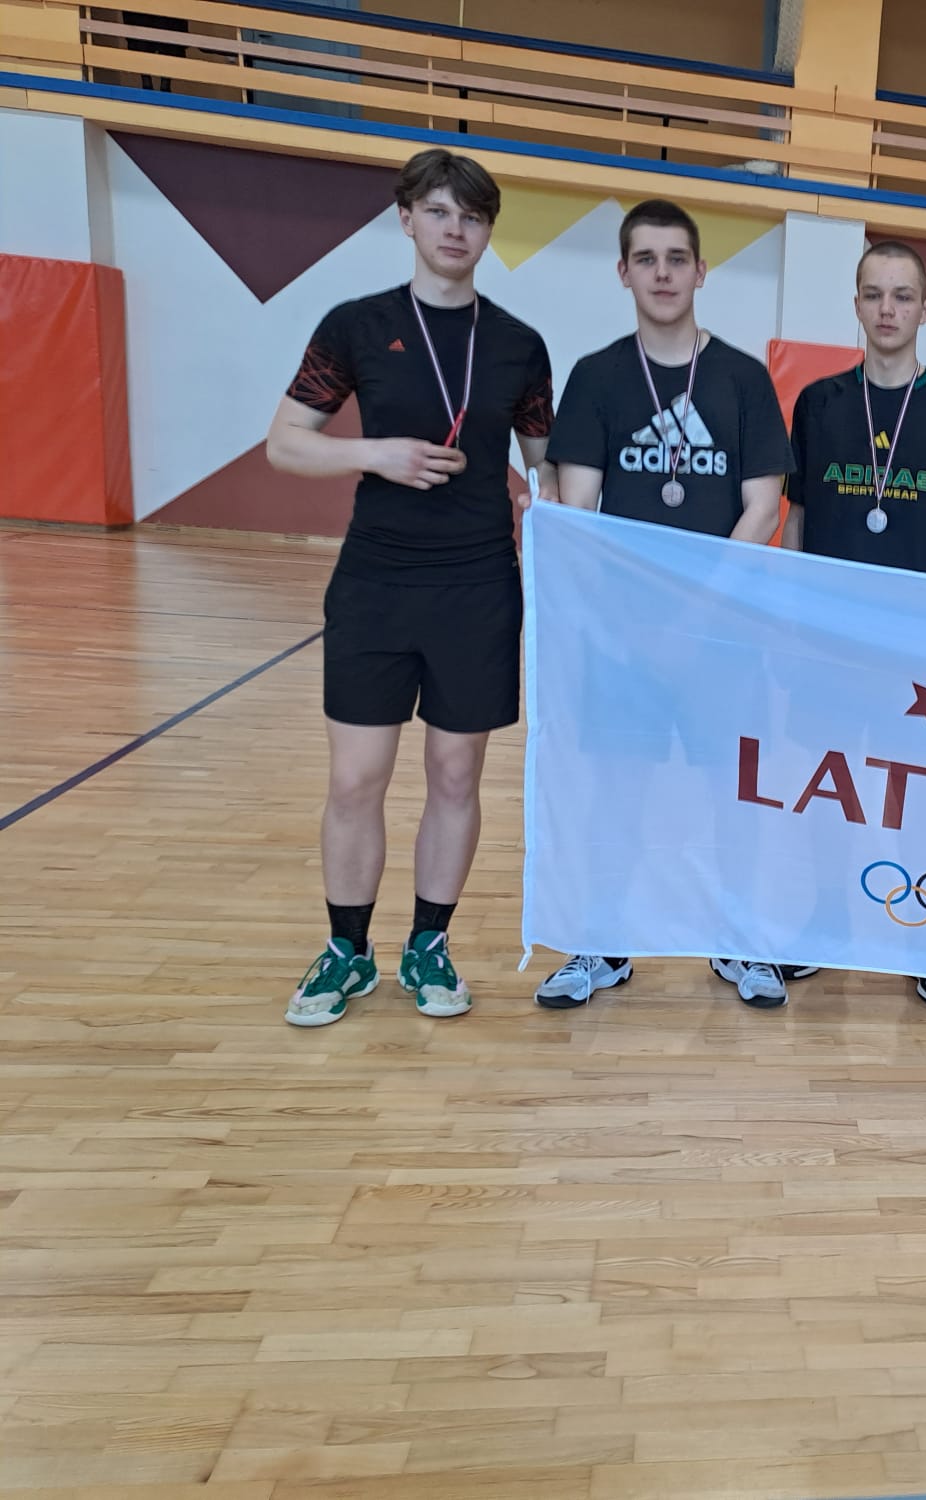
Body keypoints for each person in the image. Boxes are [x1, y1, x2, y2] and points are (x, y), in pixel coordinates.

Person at [267, 148, 554, 1027]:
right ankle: (347, 952)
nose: (454, 229)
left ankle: (429, 944)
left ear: (488, 230)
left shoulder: (519, 345)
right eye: (437, 211)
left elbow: (547, 467)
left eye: (471, 216)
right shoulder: (357, 325)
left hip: (478, 584)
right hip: (376, 581)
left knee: (455, 773)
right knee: (357, 777)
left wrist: (554, 508)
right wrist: (375, 453)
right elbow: (286, 442)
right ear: (406, 220)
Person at [532, 198, 802, 1012]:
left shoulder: (743, 378)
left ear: (701, 272)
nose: (662, 273)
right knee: (616, 792)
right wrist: (630, 620)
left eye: (676, 258)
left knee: (734, 796)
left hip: (722, 640)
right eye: (645, 259)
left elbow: (763, 506)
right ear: (623, 272)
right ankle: (601, 944)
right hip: (625, 639)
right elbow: (580, 507)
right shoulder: (597, 376)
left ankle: (737, 941)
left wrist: (692, 613)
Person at [783, 240, 926, 1009]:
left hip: (918, 655)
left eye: (902, 296)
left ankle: (925, 931)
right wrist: (792, 618)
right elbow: (798, 520)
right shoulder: (819, 404)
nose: (888, 309)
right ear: (857, 305)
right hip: (830, 647)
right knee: (829, 789)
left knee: (919, 796)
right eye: (874, 294)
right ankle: (825, 918)